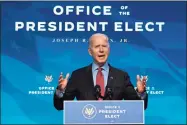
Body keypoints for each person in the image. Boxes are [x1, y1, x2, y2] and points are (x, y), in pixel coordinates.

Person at [53, 33, 148, 110]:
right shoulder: (78, 75)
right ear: (90, 51)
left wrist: (141, 93)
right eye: (97, 46)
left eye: (104, 46)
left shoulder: (121, 76)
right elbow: (60, 106)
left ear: (109, 50)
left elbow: (137, 107)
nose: (101, 50)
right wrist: (60, 91)